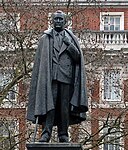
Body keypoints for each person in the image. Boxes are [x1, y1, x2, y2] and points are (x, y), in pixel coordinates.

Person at [27, 10, 88, 143]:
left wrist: (68, 44)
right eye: (56, 19)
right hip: (50, 78)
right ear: (52, 21)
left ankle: (63, 134)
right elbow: (40, 63)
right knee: (49, 105)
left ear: (65, 22)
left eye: (61, 19)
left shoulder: (71, 38)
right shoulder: (45, 38)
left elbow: (77, 58)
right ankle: (46, 133)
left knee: (64, 107)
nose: (58, 21)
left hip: (66, 78)